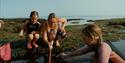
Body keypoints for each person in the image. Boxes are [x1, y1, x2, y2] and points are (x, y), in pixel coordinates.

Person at [60, 24, 125, 63]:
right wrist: (66, 55)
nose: (84, 41)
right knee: (94, 57)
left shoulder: (103, 47)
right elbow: (81, 51)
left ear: (95, 37)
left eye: (85, 38)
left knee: (94, 58)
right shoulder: (94, 45)